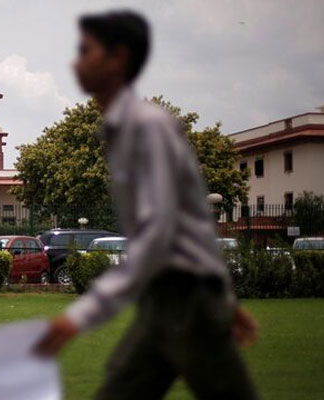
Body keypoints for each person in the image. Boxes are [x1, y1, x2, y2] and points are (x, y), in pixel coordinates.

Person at [34, 10, 259, 399]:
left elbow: (159, 233)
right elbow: (195, 226)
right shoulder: (123, 131)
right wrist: (225, 297)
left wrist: (80, 316)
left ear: (118, 57)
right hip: (169, 301)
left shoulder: (146, 128)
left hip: (186, 303)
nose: (76, 62)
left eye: (86, 51)